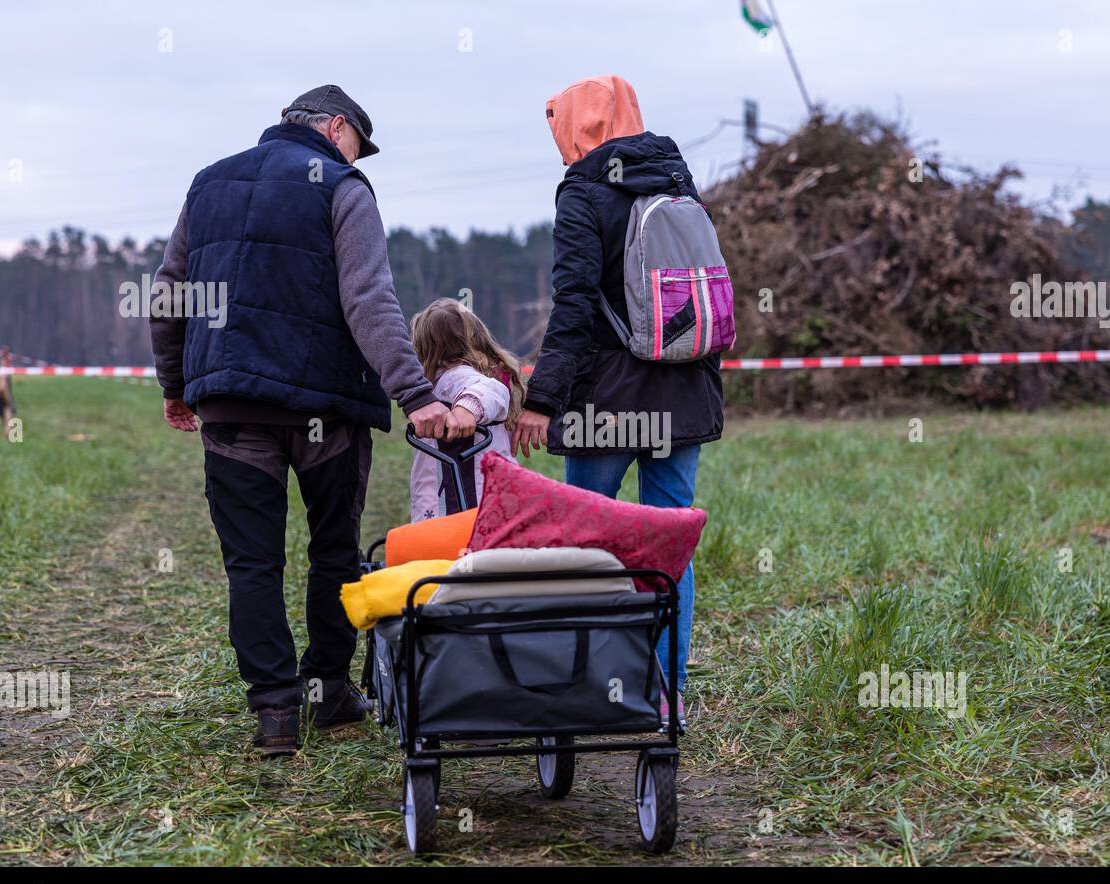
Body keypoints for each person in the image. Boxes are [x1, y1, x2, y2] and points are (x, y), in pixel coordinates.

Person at [149, 85, 469, 757]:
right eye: (358, 143)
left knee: (252, 563)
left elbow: (168, 292)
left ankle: (273, 713)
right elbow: (369, 299)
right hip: (326, 410)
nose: (359, 157)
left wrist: (177, 383)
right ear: (335, 127)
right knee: (333, 550)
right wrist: (417, 394)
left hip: (233, 405)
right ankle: (327, 690)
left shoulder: (209, 183)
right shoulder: (344, 187)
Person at [511, 75, 725, 727]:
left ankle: (593, 688)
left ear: (579, 126)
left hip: (606, 401)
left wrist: (542, 399)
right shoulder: (677, 178)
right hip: (681, 393)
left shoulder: (583, 191)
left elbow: (574, 303)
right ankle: (666, 693)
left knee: (590, 545)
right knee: (668, 542)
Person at [408, 298, 524, 523]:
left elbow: (491, 390)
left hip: (471, 506)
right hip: (475, 501)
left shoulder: (456, 377)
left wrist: (467, 408)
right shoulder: (444, 381)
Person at [0, 346, 16, 437]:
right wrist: (6, 396)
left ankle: (8, 435)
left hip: (0, 393)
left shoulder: (2, 365)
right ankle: (9, 436)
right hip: (4, 392)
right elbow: (2, 384)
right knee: (8, 412)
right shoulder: (4, 366)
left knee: (5, 415)